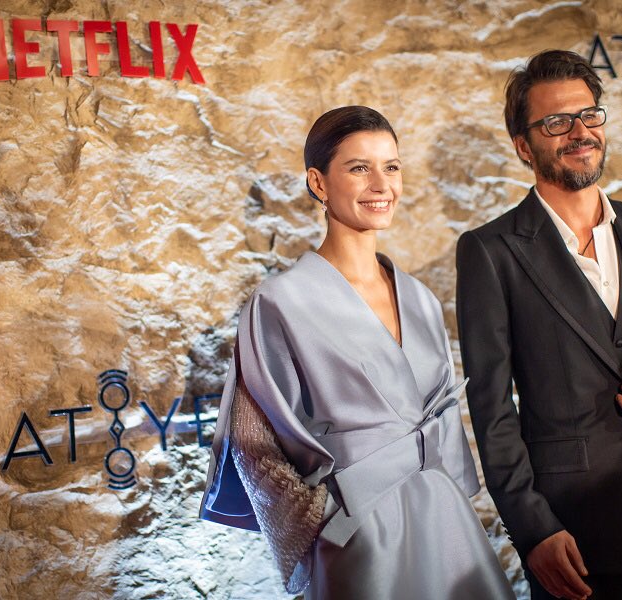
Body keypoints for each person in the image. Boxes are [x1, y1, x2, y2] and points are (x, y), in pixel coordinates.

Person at [200, 106, 514, 600]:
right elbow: (251, 440)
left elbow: (444, 423)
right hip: (357, 530)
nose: (381, 184)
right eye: (359, 168)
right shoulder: (280, 301)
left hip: (445, 520)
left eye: (391, 166)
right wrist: (322, 516)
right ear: (318, 183)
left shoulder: (421, 299)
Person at [456, 50, 622, 600]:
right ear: (523, 146)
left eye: (588, 115)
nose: (580, 132)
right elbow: (491, 408)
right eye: (557, 122)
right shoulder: (490, 252)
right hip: (574, 538)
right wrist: (532, 529)